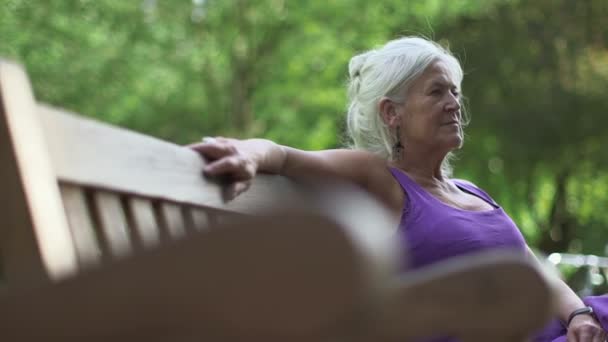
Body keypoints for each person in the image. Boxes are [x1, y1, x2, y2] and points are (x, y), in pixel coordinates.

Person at [190, 36, 607, 341]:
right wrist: (247, 153)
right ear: (392, 113)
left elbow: (534, 270)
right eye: (437, 91)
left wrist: (578, 314)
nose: (454, 103)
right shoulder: (381, 178)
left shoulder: (472, 191)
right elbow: (283, 155)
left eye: (456, 92)